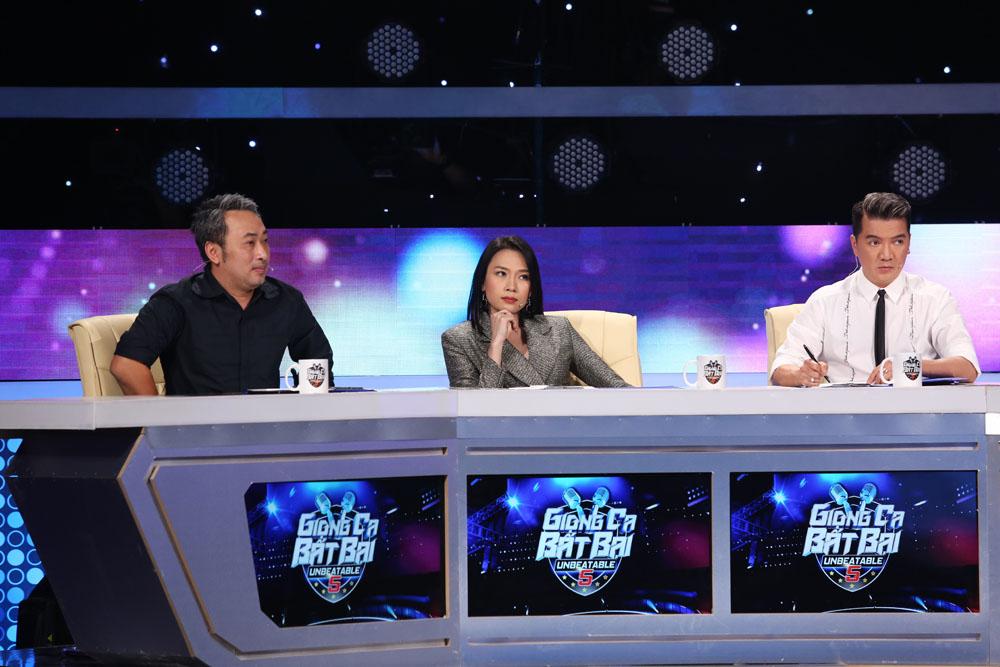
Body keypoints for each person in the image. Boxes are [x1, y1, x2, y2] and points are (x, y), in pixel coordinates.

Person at [110, 193, 332, 395]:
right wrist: (161, 420)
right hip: (197, 426)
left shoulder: (287, 300)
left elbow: (318, 364)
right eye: (250, 243)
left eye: (265, 241)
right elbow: (126, 365)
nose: (262, 254)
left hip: (265, 425)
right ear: (214, 252)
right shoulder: (175, 302)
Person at [771, 192, 979, 387]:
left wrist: (906, 365)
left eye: (898, 242)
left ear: (908, 244)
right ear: (855, 245)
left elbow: (967, 367)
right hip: (843, 412)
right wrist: (800, 374)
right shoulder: (824, 301)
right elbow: (780, 369)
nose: (887, 255)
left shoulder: (935, 298)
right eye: (874, 242)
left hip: (916, 411)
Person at [441, 235, 630, 388]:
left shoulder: (559, 330)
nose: (511, 286)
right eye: (501, 274)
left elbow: (617, 388)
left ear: (531, 289)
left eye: (523, 277)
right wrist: (496, 346)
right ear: (482, 282)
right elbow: (472, 412)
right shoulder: (458, 340)